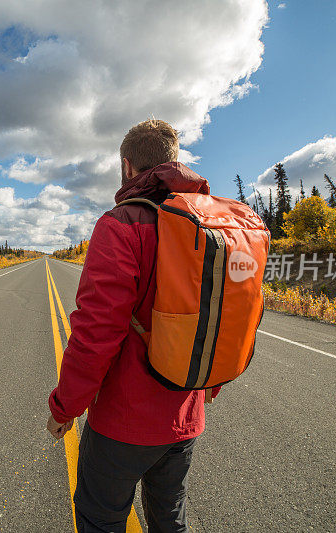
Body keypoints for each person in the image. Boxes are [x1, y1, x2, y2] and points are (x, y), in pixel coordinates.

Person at [46, 119, 221, 532]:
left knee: (100, 518)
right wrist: (209, 384)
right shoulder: (212, 226)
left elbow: (95, 333)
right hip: (185, 415)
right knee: (169, 517)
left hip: (122, 425)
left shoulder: (122, 224)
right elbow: (223, 313)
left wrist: (65, 407)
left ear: (128, 167)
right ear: (174, 162)